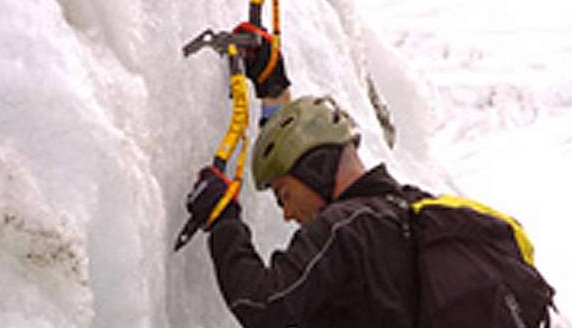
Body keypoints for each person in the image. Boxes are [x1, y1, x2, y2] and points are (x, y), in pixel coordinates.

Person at [183, 23, 552, 328]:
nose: (287, 214)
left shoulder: (345, 228)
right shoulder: (410, 211)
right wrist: (274, 90)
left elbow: (265, 305)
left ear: (313, 167)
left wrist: (223, 220)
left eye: (283, 195)